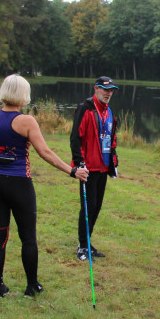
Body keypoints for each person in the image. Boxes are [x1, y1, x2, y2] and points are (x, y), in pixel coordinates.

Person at [0, 74, 89, 297]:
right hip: (19, 185)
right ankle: (31, 286)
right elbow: (45, 152)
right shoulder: (27, 121)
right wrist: (72, 171)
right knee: (28, 237)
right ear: (24, 95)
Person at [70, 76, 120, 261]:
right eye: (105, 89)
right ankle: (82, 247)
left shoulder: (109, 112)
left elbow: (112, 139)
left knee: (96, 206)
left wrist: (113, 162)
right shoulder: (86, 108)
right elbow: (76, 138)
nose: (108, 93)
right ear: (96, 89)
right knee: (88, 206)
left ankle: (87, 242)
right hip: (88, 168)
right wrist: (79, 164)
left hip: (103, 167)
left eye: (111, 90)